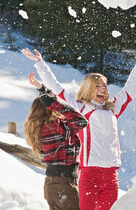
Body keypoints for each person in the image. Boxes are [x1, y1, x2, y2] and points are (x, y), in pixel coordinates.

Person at [22, 48, 136, 210]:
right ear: (88, 89)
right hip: (89, 174)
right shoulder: (80, 107)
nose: (103, 89)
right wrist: (39, 63)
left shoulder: (112, 109)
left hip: (111, 176)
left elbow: (129, 91)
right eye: (98, 86)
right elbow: (56, 88)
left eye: (104, 86)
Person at [24, 73, 88, 210]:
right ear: (49, 108)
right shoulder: (54, 127)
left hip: (53, 184)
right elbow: (81, 121)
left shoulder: (44, 127)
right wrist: (54, 103)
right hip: (63, 184)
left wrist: (43, 91)